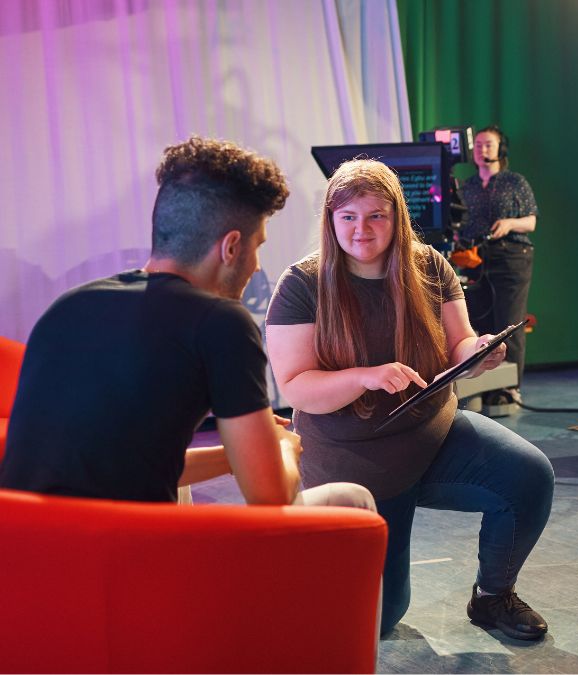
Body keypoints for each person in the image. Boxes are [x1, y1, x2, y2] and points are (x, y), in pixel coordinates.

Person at [264, 159, 554, 641]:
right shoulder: (301, 284)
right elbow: (296, 387)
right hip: (353, 463)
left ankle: (492, 596)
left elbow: (457, 343)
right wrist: (366, 377)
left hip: (431, 435)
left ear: (397, 217)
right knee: (379, 620)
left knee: (528, 475)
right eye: (349, 217)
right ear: (331, 220)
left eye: (376, 215)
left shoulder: (429, 266)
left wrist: (477, 352)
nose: (362, 229)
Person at [0, 137, 373, 511]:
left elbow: (125, 469)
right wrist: (283, 447)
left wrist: (235, 454)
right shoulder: (220, 322)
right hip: (131, 553)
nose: (257, 266)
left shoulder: (69, 307)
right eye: (257, 246)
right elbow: (270, 495)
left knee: (180, 491)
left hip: (30, 551)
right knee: (351, 499)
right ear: (230, 248)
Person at [458, 125, 538, 401]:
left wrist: (509, 223)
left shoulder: (515, 182)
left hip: (511, 257)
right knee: (480, 321)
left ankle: (510, 386)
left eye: (488, 144)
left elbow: (531, 221)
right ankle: (485, 382)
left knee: (509, 320)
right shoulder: (466, 186)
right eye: (478, 145)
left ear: (500, 149)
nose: (482, 150)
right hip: (476, 260)